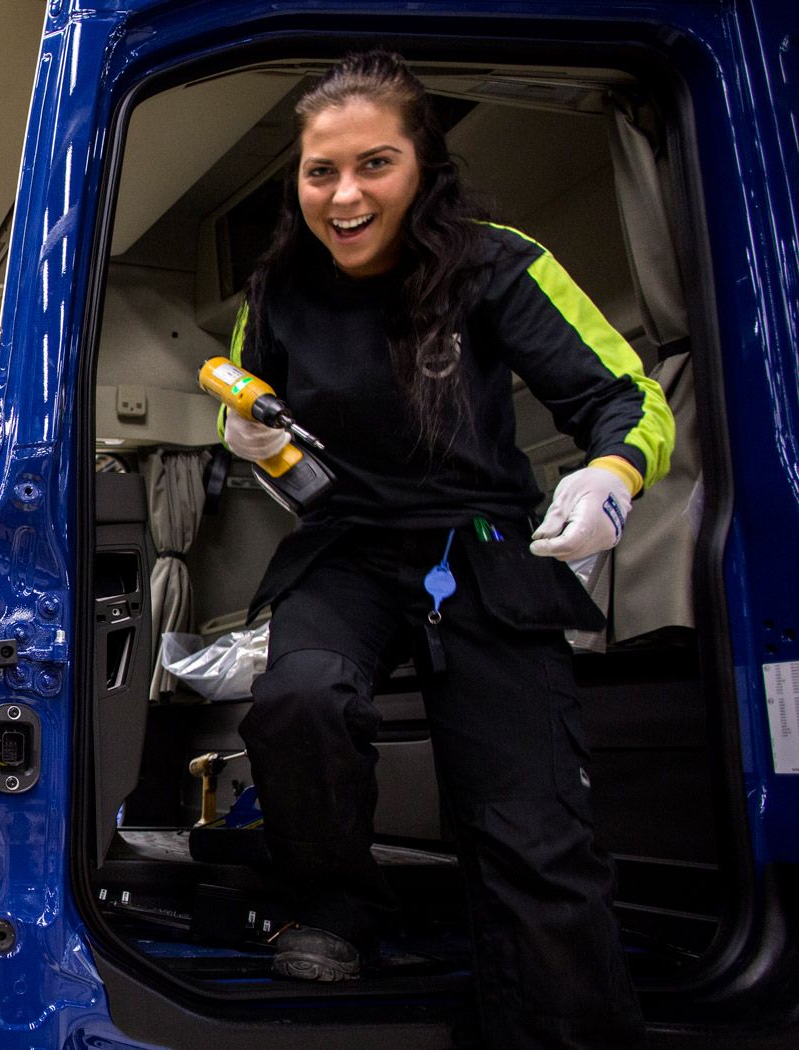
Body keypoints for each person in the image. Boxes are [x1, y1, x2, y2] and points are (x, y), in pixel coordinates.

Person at [221, 51, 671, 1049]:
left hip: (483, 547)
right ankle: (335, 908)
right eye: (319, 171)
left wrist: (611, 480)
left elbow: (624, 399)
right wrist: (246, 440)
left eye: (374, 164)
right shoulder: (277, 291)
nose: (343, 195)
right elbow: (251, 414)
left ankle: (567, 1027)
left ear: (421, 161)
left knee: (531, 826)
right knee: (300, 701)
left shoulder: (498, 262)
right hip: (346, 545)